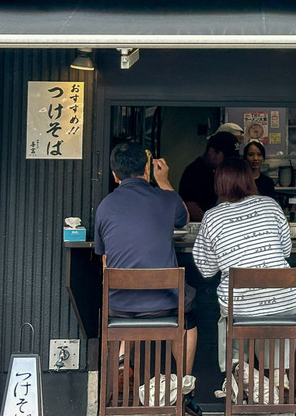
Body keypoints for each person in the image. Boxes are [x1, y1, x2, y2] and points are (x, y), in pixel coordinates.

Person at [94, 142, 202, 416]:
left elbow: (105, 261)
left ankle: (120, 362)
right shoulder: (164, 199)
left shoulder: (105, 206)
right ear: (146, 169)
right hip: (163, 304)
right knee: (188, 317)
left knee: (118, 304)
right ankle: (183, 391)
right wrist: (164, 181)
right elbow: (184, 218)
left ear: (115, 175)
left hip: (119, 306)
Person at [192, 157, 296, 398]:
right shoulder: (270, 205)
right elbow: (285, 251)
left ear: (218, 183)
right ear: (249, 179)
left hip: (242, 306)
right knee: (273, 311)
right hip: (286, 302)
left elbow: (206, 269)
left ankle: (236, 370)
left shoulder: (212, 217)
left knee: (235, 312)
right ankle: (276, 375)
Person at [179, 131, 239, 221]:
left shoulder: (223, 172)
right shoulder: (194, 172)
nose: (228, 163)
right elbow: (191, 206)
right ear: (212, 152)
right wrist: (211, 224)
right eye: (225, 158)